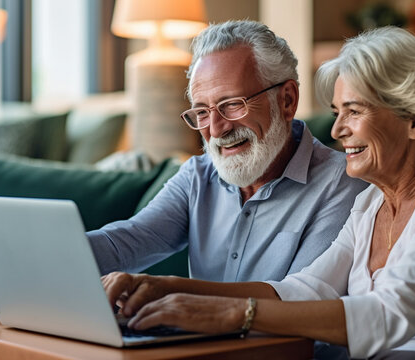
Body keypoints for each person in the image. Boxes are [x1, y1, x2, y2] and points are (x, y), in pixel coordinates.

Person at [101, 26, 415, 359]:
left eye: (353, 111)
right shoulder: (371, 202)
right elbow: (303, 289)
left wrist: (229, 313)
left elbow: (387, 315)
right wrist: (172, 290)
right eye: (337, 113)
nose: (336, 131)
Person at [87, 20, 367, 282]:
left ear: (287, 100)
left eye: (232, 104)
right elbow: (129, 241)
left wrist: (171, 293)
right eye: (202, 111)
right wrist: (52, 249)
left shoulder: (343, 184)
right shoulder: (197, 175)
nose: (217, 129)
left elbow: (301, 300)